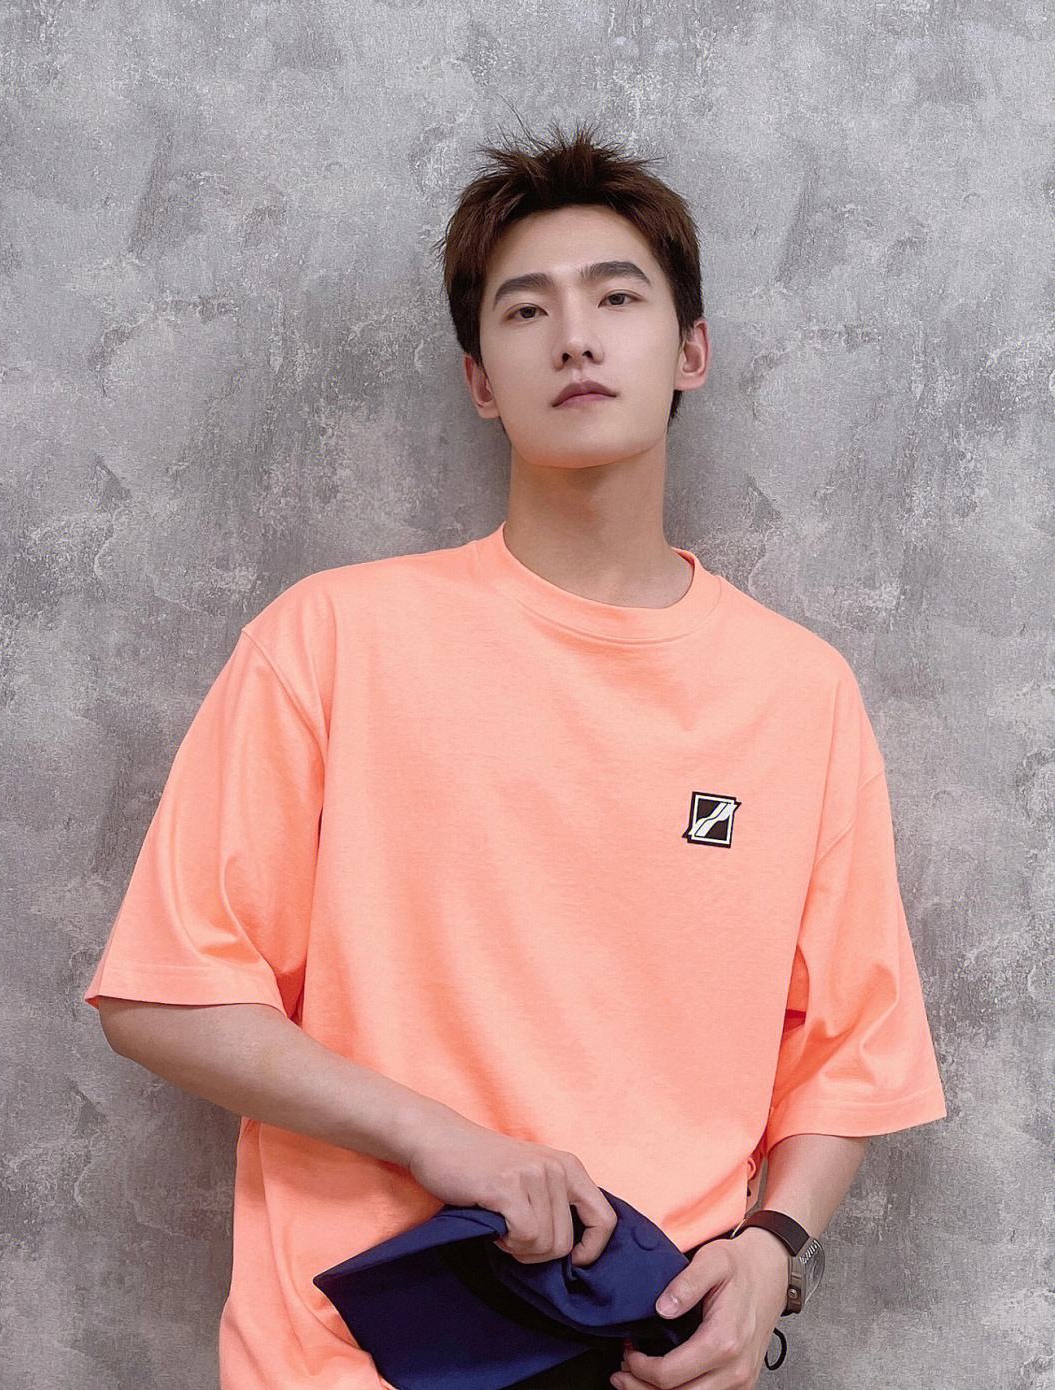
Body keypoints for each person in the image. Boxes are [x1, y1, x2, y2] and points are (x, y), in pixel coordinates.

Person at [83, 118, 948, 1390]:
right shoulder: (333, 639)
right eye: (526, 310)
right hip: (346, 1359)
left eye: (617, 298)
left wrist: (774, 1249)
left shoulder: (797, 692)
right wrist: (439, 1139)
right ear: (481, 380)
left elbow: (850, 1053)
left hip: (648, 1349)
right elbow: (164, 992)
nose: (575, 337)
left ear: (691, 351)